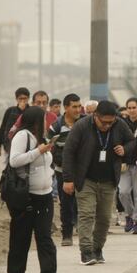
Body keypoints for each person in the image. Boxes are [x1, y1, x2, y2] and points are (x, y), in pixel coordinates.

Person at [62, 100, 135, 265]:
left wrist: (125, 149)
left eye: (111, 122)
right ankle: (86, 252)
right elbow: (69, 151)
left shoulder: (119, 124)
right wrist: (68, 179)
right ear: (95, 116)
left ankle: (97, 248)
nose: (107, 126)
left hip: (109, 180)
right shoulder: (82, 126)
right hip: (86, 178)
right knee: (87, 215)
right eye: (104, 122)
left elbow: (132, 141)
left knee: (104, 218)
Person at [7, 107, 58, 273]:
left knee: (44, 235)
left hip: (45, 195)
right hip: (26, 196)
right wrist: (38, 152)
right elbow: (14, 160)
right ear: (36, 120)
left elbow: (45, 163)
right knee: (22, 236)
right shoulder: (23, 136)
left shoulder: (41, 137)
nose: (47, 122)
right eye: (44, 119)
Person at [48, 93, 83, 246]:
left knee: (84, 202)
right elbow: (47, 145)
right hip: (62, 171)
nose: (77, 110)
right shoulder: (56, 126)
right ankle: (67, 234)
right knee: (66, 203)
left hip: (82, 172)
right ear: (66, 108)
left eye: (79, 106)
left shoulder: (84, 123)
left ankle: (83, 231)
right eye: (74, 107)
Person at [119, 97, 137, 234]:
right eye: (129, 108)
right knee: (123, 192)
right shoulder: (121, 124)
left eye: (134, 107)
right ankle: (129, 215)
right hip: (124, 164)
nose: (131, 110)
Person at [0, 87, 30, 155]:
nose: (23, 100)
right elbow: (3, 127)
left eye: (25, 98)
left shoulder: (31, 111)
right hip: (9, 145)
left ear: (28, 98)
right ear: (16, 99)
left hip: (26, 147)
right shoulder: (10, 111)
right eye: (20, 98)